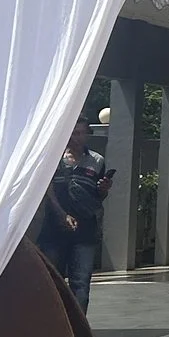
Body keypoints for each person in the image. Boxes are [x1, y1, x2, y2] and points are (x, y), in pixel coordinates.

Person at [36, 125, 111, 311]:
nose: (74, 137)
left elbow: (97, 196)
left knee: (81, 285)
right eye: (71, 133)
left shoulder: (97, 161)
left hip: (85, 232)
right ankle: (56, 328)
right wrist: (62, 214)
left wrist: (103, 189)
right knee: (53, 283)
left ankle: (78, 331)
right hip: (54, 231)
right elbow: (47, 189)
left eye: (79, 133)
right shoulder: (54, 158)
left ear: (86, 135)